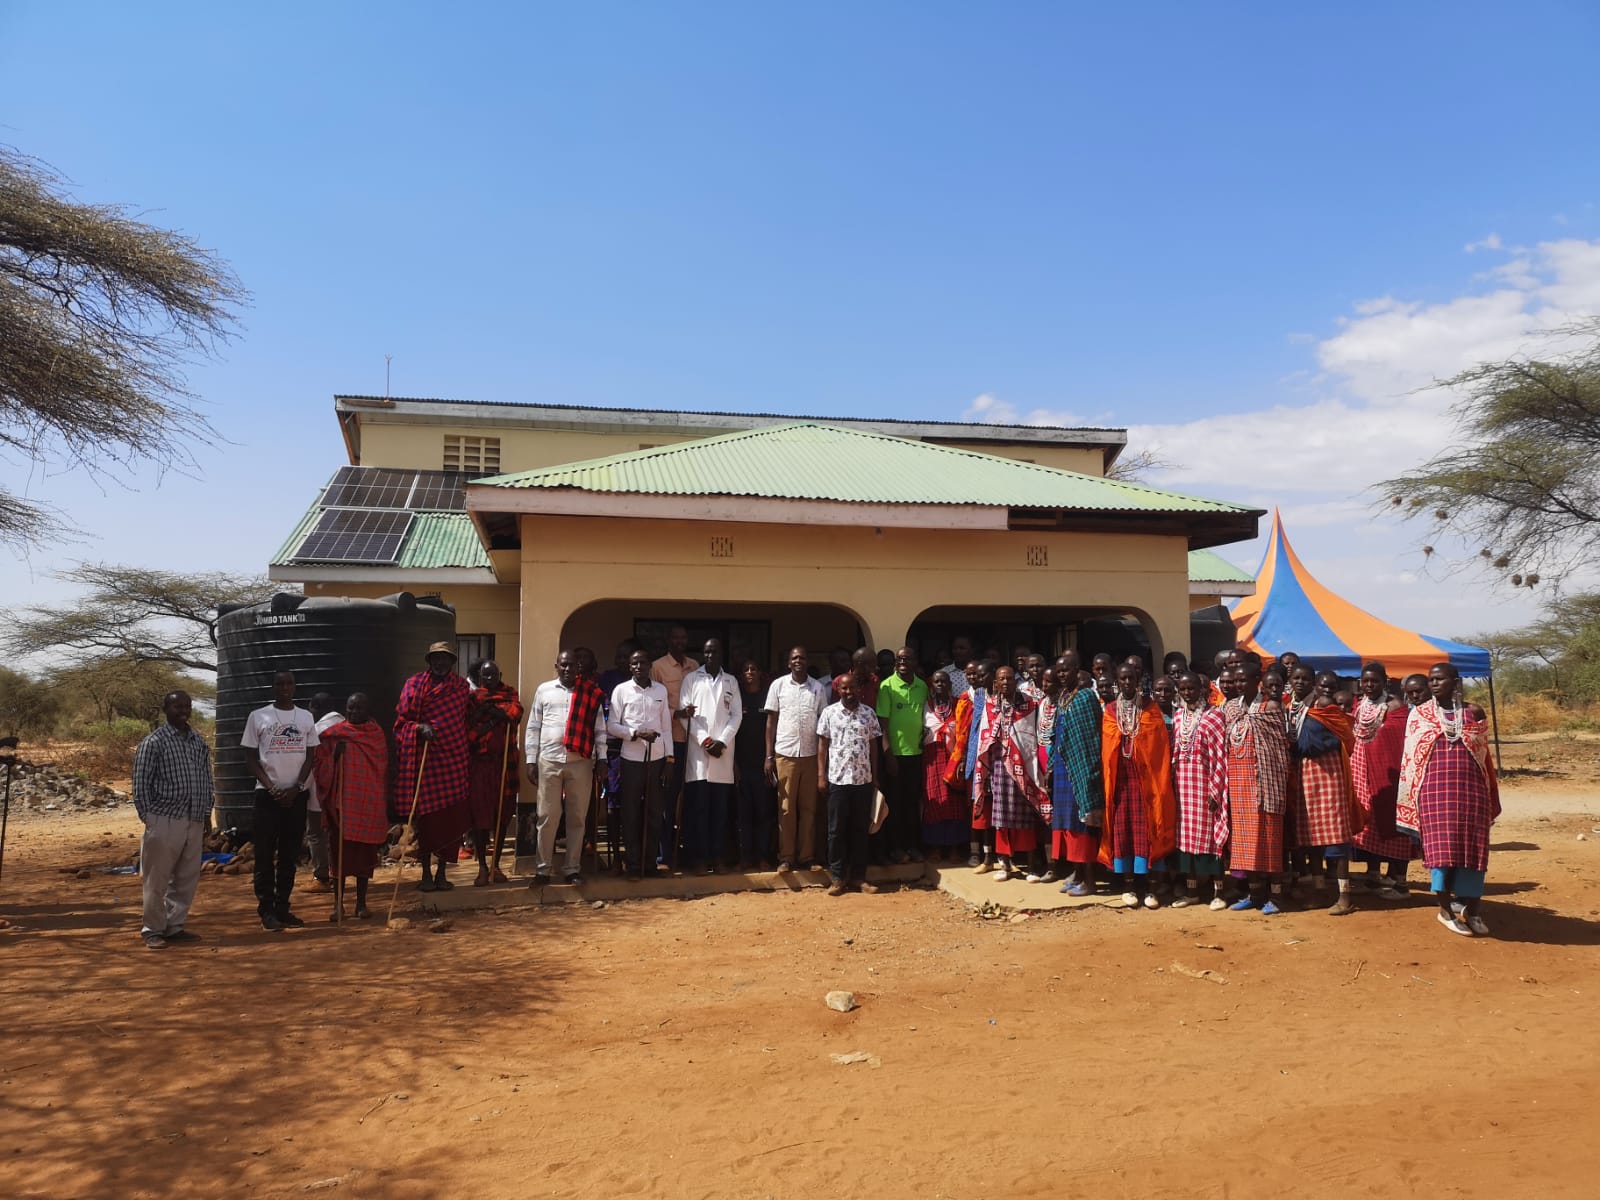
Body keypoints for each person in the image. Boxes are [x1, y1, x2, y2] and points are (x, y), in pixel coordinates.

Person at [1398, 663, 1501, 937]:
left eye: (1439, 679)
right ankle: (1445, 910)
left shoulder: (1474, 712)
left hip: (1471, 792)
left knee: (1474, 850)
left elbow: (1482, 757)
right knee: (1441, 853)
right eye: (1431, 679)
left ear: (1455, 682)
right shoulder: (1419, 715)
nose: (1433, 684)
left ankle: (1473, 910)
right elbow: (1411, 760)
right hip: (1433, 793)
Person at [131, 690, 212, 949]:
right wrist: (150, 818)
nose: (183, 711)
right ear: (166, 709)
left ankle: (174, 926)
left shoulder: (198, 742)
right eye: (177, 707)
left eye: (187, 706)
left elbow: (207, 779)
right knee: (157, 878)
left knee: (187, 877)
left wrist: (206, 813)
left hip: (195, 817)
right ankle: (152, 929)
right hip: (165, 818)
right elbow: (140, 785)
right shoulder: (154, 742)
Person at [242, 670, 319, 931]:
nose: (285, 687)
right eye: (280, 684)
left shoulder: (306, 717)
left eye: (289, 684)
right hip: (267, 796)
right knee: (264, 854)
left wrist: (297, 787)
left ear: (295, 688)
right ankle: (266, 910)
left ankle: (283, 907)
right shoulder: (258, 717)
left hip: (296, 796)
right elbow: (251, 759)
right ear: (273, 687)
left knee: (289, 855)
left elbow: (311, 757)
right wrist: (271, 787)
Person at [393, 642, 472, 892]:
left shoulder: (461, 687)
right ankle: (425, 872)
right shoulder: (414, 685)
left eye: (445, 659)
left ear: (452, 662)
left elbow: (467, 719)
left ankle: (442, 874)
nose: (440, 664)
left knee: (451, 820)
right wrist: (418, 728)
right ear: (429, 661)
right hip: (426, 763)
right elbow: (401, 723)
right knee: (427, 822)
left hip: (454, 762)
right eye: (436, 659)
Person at [1099, 661, 1178, 909]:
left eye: (1130, 678)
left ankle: (1151, 888)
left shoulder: (1150, 708)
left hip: (1147, 781)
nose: (1126, 683)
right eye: (1122, 679)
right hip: (1120, 780)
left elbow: (1158, 746)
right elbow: (1108, 742)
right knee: (1124, 831)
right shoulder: (1111, 710)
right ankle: (1129, 886)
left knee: (1148, 830)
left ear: (1138, 680)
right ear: (1117, 681)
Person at [525, 649, 607, 886]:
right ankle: (543, 870)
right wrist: (531, 760)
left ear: (578, 667)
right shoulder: (544, 690)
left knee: (577, 818)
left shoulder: (589, 693)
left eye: (572, 665)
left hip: (580, 762)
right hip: (549, 761)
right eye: (564, 665)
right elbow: (533, 727)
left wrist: (602, 759)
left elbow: (599, 728)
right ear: (557, 666)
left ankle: (572, 869)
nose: (568, 669)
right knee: (547, 817)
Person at [1286, 663, 1362, 915]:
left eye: (1305, 678)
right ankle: (1319, 892)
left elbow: (1343, 735)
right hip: (1304, 777)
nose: (1300, 682)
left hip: (1329, 775)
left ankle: (1345, 896)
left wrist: (1307, 746)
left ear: (1313, 682)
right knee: (1311, 839)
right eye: (1296, 677)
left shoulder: (1323, 706)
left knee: (1336, 837)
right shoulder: (1292, 707)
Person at [312, 693, 389, 920]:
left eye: (359, 709)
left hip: (367, 804)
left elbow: (381, 766)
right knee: (338, 857)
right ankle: (338, 905)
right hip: (341, 805)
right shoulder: (333, 736)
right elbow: (319, 765)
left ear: (368, 711)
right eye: (350, 708)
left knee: (364, 858)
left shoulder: (375, 735)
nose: (353, 713)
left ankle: (361, 904)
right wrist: (334, 757)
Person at [1223, 667, 1291, 912]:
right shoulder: (1230, 708)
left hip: (1267, 784)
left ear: (1256, 680)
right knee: (1244, 844)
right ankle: (1255, 895)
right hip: (1239, 784)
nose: (1239, 683)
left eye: (1244, 678)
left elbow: (1280, 747)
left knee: (1270, 843)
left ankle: (1277, 897)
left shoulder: (1271, 708)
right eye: (1236, 680)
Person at [974, 665, 1048, 881]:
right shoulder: (990, 706)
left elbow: (1032, 735)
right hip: (998, 765)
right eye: (1001, 679)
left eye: (1009, 679)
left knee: (1026, 813)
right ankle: (1004, 864)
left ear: (1015, 681)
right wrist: (984, 771)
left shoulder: (1029, 704)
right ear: (995, 683)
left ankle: (1033, 865)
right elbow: (984, 738)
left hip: (1024, 766)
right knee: (1001, 815)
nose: (1005, 682)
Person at [607, 648, 674, 880]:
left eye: (643, 663)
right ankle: (634, 865)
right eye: (634, 663)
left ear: (649, 666)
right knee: (631, 813)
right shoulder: (621, 691)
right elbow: (612, 726)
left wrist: (669, 759)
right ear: (629, 666)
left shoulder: (660, 691)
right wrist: (635, 733)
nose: (638, 667)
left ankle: (650, 865)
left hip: (656, 760)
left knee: (654, 813)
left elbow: (666, 728)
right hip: (631, 760)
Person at [1350, 662, 1415, 899]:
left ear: (1384, 681)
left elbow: (1398, 743)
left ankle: (1399, 880)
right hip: (1360, 771)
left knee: (1392, 821)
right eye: (1365, 681)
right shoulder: (1359, 704)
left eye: (1374, 681)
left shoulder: (1395, 706)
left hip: (1389, 772)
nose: (1369, 685)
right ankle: (1373, 873)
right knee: (1369, 822)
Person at [764, 645, 830, 874]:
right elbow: (771, 722)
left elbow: (823, 724)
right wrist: (769, 756)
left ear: (807, 661)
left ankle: (807, 856)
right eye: (794, 658)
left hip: (811, 756)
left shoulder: (818, 688)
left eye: (802, 657)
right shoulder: (778, 686)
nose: (798, 661)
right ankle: (786, 857)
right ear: (788, 663)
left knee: (809, 808)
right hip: (785, 755)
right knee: (785, 809)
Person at [1045, 650, 1105, 897]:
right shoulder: (1063, 697)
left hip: (1082, 769)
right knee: (1069, 825)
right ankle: (1077, 874)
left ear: (1077, 669)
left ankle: (1090, 881)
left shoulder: (1086, 697)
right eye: (1058, 671)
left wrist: (1089, 771)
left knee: (1084, 825)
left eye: (1066, 670)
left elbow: (1091, 739)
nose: (1061, 675)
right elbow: (1056, 736)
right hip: (1062, 768)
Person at [816, 673, 882, 896]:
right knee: (836, 831)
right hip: (838, 780)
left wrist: (874, 775)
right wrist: (820, 776)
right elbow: (822, 746)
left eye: (852, 687)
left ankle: (859, 877)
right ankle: (837, 877)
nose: (849, 692)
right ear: (838, 690)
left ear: (858, 689)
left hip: (862, 780)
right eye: (844, 688)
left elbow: (874, 746)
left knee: (860, 830)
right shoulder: (829, 713)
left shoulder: (869, 714)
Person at [681, 639, 742, 873]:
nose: (710, 655)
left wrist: (722, 742)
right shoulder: (691, 679)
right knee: (699, 811)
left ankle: (718, 858)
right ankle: (699, 859)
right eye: (706, 651)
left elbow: (736, 715)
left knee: (719, 813)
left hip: (723, 755)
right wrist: (706, 741)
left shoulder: (731, 681)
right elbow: (686, 715)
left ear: (721, 654)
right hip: (699, 756)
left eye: (714, 651)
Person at [1170, 672, 1229, 909]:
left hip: (1205, 787)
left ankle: (1219, 894)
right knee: (1186, 842)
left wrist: (1215, 792)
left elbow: (1219, 758)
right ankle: (1192, 892)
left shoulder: (1213, 717)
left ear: (1202, 690)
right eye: (1183, 689)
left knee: (1210, 841)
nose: (1187, 693)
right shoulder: (1177, 717)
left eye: (1191, 689)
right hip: (1183, 788)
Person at [465, 660, 523, 886]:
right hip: (480, 764)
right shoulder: (472, 698)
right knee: (480, 816)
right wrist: (495, 713)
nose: (489, 679)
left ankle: (496, 865)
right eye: (484, 676)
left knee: (502, 816)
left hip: (505, 763)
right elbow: (468, 726)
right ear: (479, 677)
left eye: (492, 675)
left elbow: (514, 714)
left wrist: (490, 710)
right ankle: (481, 866)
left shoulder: (510, 694)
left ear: (500, 674)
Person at [651, 626, 699, 869]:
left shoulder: (695, 665)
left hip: (694, 743)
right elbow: (653, 704)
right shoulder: (658, 667)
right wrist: (676, 713)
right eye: (675, 637)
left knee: (690, 800)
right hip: (670, 744)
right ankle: (666, 855)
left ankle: (689, 852)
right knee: (668, 801)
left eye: (683, 637)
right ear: (668, 640)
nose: (680, 641)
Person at [876, 647, 929, 864]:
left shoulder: (922, 686)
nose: (902, 662)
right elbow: (883, 724)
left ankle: (913, 846)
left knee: (911, 803)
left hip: (916, 755)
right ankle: (896, 848)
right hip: (895, 757)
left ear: (916, 662)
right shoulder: (887, 686)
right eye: (899, 659)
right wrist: (888, 756)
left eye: (907, 658)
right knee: (895, 805)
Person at [947, 659, 993, 871]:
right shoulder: (964, 699)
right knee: (972, 806)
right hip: (970, 759)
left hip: (990, 759)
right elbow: (961, 734)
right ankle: (974, 851)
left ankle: (989, 854)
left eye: (977, 674)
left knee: (989, 808)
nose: (973, 677)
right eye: (970, 674)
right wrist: (963, 758)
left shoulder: (992, 698)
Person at [921, 669, 967, 859]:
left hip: (954, 758)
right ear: (931, 685)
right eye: (936, 682)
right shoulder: (926, 706)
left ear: (950, 685)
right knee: (934, 802)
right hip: (932, 759)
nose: (940, 685)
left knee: (955, 802)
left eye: (944, 682)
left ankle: (955, 847)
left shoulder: (959, 705)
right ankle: (936, 847)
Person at [735, 659, 774, 870]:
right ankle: (745, 858)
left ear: (760, 673)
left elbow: (774, 729)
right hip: (742, 766)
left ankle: (763, 857)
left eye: (753, 669)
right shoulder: (736, 698)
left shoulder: (767, 696)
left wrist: (770, 759)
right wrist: (734, 764)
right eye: (746, 669)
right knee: (744, 816)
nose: (750, 672)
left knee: (763, 815)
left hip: (763, 767)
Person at [303, 692, 343, 893]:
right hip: (345, 793)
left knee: (317, 834)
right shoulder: (348, 726)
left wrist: (300, 787)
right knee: (338, 834)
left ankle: (322, 877)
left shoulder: (317, 730)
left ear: (317, 708)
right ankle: (341, 875)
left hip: (319, 793)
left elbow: (311, 763)